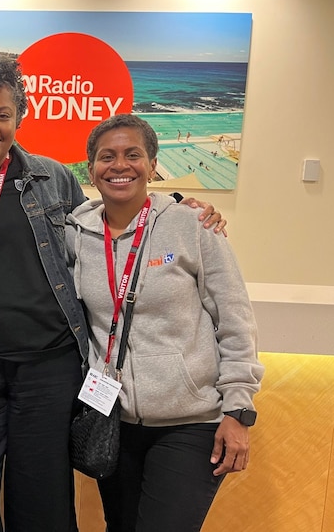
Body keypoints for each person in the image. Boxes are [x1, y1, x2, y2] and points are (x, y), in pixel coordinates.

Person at [0, 49, 225, 532]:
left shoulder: (52, 178)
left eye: (1, 114)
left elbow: (110, 224)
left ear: (20, 117)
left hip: (48, 368)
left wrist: (179, 206)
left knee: (44, 510)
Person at [66, 113, 264, 532]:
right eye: (107, 156)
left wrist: (238, 410)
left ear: (153, 165)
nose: (120, 165)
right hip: (113, 420)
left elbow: (235, 320)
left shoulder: (192, 226)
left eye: (133, 154)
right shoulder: (75, 233)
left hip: (190, 421)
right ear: (91, 168)